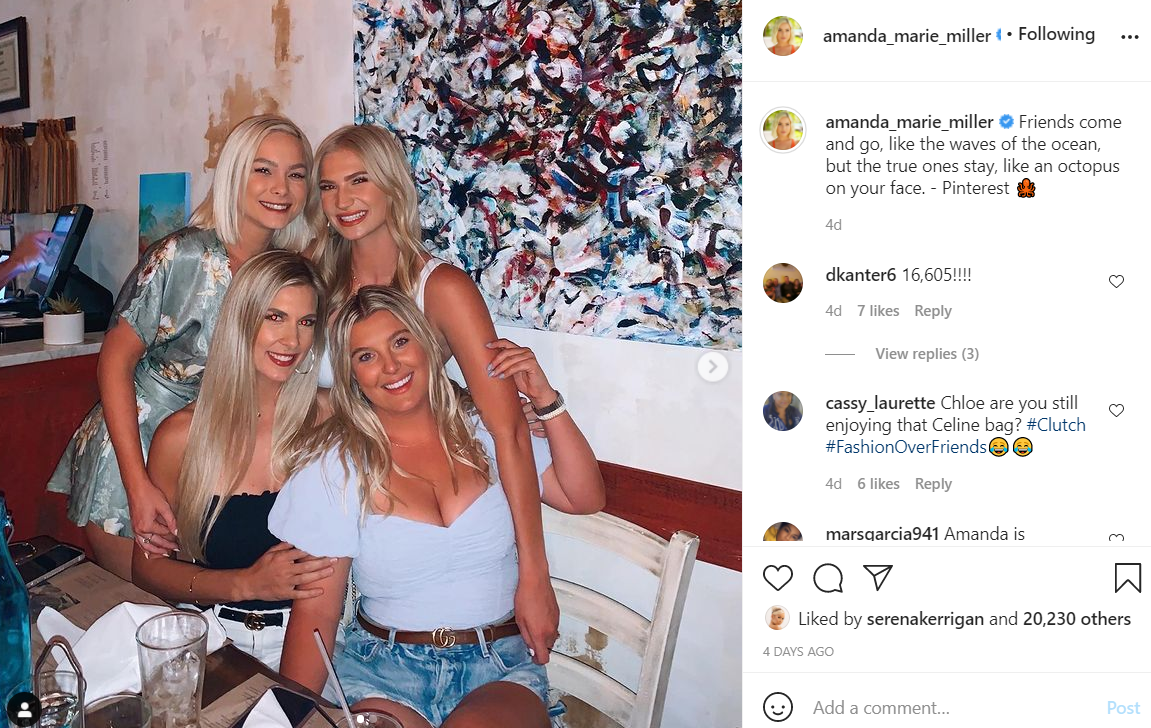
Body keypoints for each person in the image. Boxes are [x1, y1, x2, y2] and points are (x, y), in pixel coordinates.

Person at [269, 287, 605, 728]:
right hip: (382, 670)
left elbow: (583, 497)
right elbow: (317, 612)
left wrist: (546, 399)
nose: (391, 366)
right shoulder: (336, 466)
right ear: (352, 376)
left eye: (400, 341)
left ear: (426, 343)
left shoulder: (490, 433)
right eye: (366, 356)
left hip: (498, 667)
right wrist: (290, 715)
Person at [308, 124, 560, 663]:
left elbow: (509, 431)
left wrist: (535, 575)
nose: (343, 201)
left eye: (358, 180)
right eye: (328, 187)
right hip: (324, 486)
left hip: (408, 500)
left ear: (392, 183)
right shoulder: (316, 279)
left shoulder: (441, 287)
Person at [47, 115, 318, 581]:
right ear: (234, 173)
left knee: (200, 602)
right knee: (149, 602)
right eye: (263, 169)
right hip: (138, 441)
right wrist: (137, 484)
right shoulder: (185, 254)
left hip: (210, 451)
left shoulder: (286, 268)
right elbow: (115, 362)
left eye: (296, 174)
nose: (281, 188)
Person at [132, 251, 332, 669]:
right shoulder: (182, 436)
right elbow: (148, 568)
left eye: (306, 322)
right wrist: (247, 584)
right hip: (217, 638)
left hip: (322, 642)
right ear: (241, 320)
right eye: (275, 317)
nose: (292, 340)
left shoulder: (330, 419)